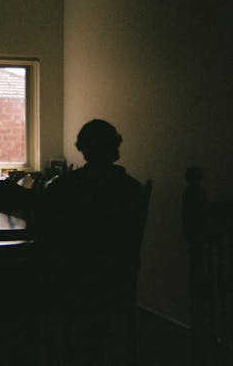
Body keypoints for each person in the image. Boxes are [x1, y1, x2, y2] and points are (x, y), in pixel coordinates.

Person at [37, 119, 151, 365]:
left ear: (83, 149)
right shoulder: (131, 189)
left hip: (76, 275)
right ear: (115, 148)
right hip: (117, 274)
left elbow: (48, 229)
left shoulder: (67, 186)